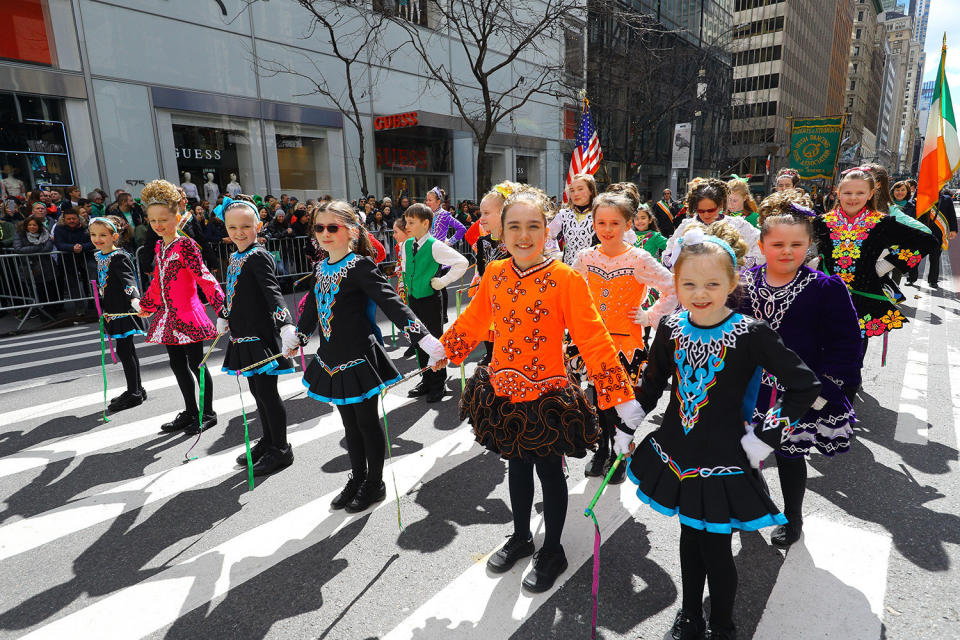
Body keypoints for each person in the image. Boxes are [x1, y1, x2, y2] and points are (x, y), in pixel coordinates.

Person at [430, 185, 645, 593]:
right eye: (514, 226)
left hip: (547, 395)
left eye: (533, 226)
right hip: (503, 389)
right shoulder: (494, 272)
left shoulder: (565, 278)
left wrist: (621, 395)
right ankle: (521, 535)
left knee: (549, 470)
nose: (523, 235)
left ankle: (553, 549)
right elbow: (475, 320)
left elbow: (593, 339)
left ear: (548, 230)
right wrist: (446, 349)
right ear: (501, 232)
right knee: (516, 465)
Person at [617, 221, 821, 640]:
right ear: (675, 284)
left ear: (731, 282)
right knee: (690, 538)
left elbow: (804, 385)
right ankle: (690, 614)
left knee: (716, 547)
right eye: (688, 284)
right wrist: (630, 418)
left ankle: (723, 624)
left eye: (712, 283)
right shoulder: (672, 327)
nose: (700, 293)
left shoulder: (751, 333)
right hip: (677, 452)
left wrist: (765, 435)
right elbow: (655, 381)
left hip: (725, 458)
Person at [289, 200, 446, 512]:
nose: (324, 233)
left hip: (360, 359)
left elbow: (392, 304)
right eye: (319, 228)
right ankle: (357, 476)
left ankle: (374, 483)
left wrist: (424, 338)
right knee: (348, 424)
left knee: (366, 422)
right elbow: (315, 310)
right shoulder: (321, 267)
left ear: (351, 231)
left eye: (333, 227)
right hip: (332, 359)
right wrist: (299, 335)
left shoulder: (360, 265)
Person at [739, 191, 862, 549]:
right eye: (777, 243)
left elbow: (846, 345)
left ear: (809, 245)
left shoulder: (826, 288)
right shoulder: (744, 282)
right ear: (762, 244)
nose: (787, 251)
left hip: (796, 392)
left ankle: (793, 518)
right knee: (745, 452)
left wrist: (827, 389)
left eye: (797, 244)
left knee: (789, 456)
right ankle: (757, 506)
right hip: (747, 388)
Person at [572, 192, 677, 484]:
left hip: (624, 341)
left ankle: (619, 455)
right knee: (595, 400)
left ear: (628, 223)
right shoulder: (585, 257)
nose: (607, 229)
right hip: (592, 341)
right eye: (601, 222)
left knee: (618, 402)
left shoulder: (638, 258)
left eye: (615, 223)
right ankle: (602, 449)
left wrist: (649, 315)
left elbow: (672, 287)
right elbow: (571, 294)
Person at [812, 168, 937, 367]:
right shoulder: (822, 222)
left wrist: (886, 265)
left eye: (860, 193)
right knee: (824, 343)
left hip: (864, 293)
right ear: (838, 192)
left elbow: (928, 241)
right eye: (847, 192)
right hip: (828, 293)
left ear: (871, 194)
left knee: (856, 344)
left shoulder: (881, 222)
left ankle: (851, 383)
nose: (853, 198)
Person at [135, 179, 225, 435]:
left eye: (163, 219)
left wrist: (221, 307)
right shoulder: (160, 246)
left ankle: (208, 412)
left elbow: (204, 277)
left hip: (188, 315)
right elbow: (158, 280)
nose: (158, 225)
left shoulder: (185, 244)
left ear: (177, 216)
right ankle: (190, 411)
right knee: (176, 364)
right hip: (169, 317)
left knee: (197, 363)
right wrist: (147, 305)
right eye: (153, 221)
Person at [218, 198, 299, 476]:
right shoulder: (236, 255)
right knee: (257, 392)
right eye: (232, 227)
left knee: (267, 393)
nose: (239, 232)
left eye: (246, 226)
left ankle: (281, 449)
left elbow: (271, 291)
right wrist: (224, 313)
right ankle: (268, 441)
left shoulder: (259, 255)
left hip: (260, 337)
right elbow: (233, 290)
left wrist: (286, 324)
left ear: (258, 226)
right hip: (242, 335)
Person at [402, 203, 469, 402]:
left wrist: (442, 281)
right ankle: (425, 379)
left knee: (434, 340)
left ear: (425, 223)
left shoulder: (435, 245)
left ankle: (438, 383)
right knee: (418, 341)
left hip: (430, 300)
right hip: (413, 299)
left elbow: (462, 262)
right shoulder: (406, 244)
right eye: (406, 222)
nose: (407, 226)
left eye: (411, 222)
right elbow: (406, 267)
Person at [89, 215, 147, 411]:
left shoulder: (118, 256)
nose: (97, 238)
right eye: (93, 234)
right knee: (127, 350)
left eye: (103, 235)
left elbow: (128, 280)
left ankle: (134, 393)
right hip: (112, 311)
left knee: (125, 351)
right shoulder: (101, 256)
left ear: (114, 236)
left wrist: (135, 299)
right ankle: (136, 388)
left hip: (123, 311)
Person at [664, 178, 762, 270]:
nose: (706, 215)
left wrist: (741, 267)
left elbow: (760, 243)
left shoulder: (738, 225)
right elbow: (669, 252)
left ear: (720, 206)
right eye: (701, 211)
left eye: (711, 210)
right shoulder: (686, 226)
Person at [473, 181, 517, 366]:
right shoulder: (483, 241)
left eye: (486, 213)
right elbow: (483, 269)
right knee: (488, 327)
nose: (481, 218)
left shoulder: (516, 242)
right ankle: (491, 354)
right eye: (481, 213)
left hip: (512, 298)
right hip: (490, 292)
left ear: (503, 213)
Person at [903, 187, 958, 289]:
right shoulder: (921, 198)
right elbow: (911, 207)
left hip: (938, 234)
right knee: (915, 256)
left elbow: (951, 215)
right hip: (921, 232)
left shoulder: (946, 199)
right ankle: (911, 278)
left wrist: (954, 229)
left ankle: (933, 280)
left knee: (935, 258)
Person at [548, 173, 598, 265]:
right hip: (569, 271)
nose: (575, 194)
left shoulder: (600, 214)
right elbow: (547, 234)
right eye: (572, 190)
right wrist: (554, 254)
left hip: (594, 271)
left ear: (591, 190)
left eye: (580, 189)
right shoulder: (564, 215)